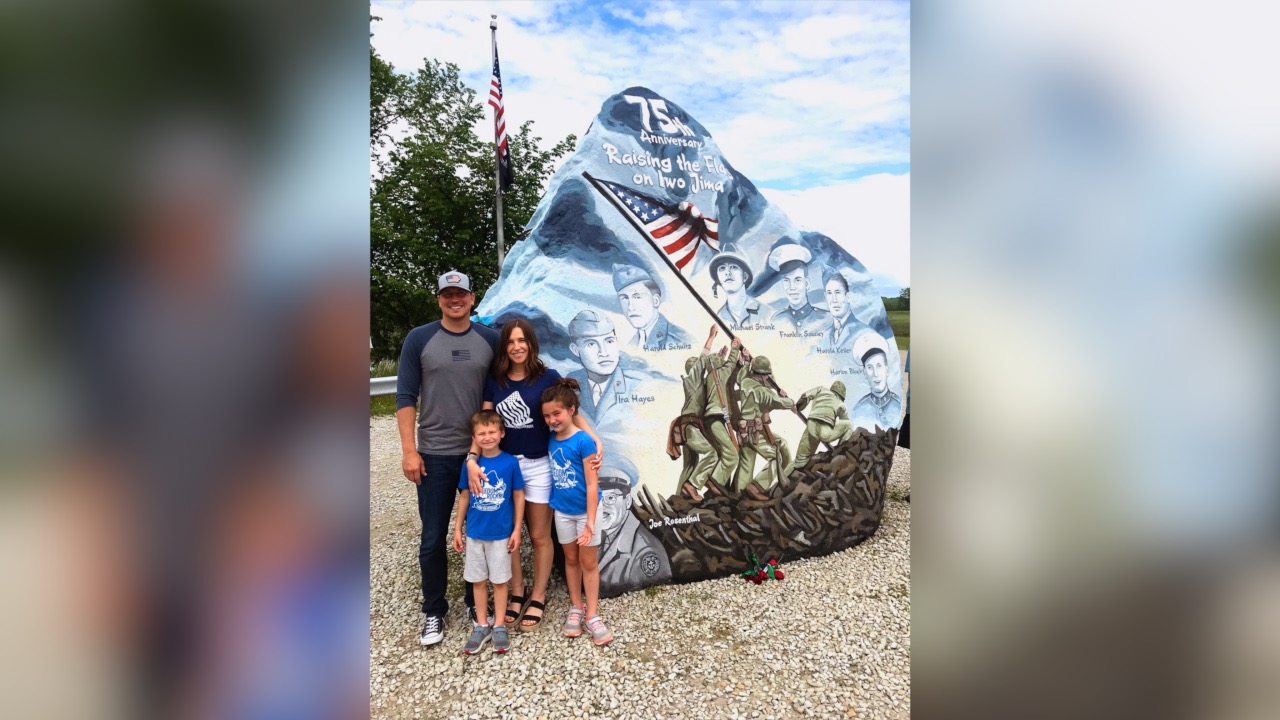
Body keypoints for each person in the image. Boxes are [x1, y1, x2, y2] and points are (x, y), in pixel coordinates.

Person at [466, 318, 602, 632]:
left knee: (540, 536)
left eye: (522, 340)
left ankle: (538, 595)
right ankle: (517, 592)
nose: (516, 347)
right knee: (507, 535)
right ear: (504, 346)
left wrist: (594, 440)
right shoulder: (495, 380)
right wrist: (472, 458)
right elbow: (484, 421)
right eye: (510, 341)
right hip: (505, 465)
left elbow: (573, 414)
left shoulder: (548, 377)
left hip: (540, 465)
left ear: (531, 343)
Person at [395, 271, 499, 647]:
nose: (455, 299)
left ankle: (476, 603)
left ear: (473, 298)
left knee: (479, 532)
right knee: (433, 536)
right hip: (434, 453)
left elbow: (502, 388)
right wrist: (409, 450)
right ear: (439, 299)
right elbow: (405, 396)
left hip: (479, 454)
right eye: (447, 294)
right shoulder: (419, 338)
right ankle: (434, 611)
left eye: (461, 294)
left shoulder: (490, 339)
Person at [542, 379, 614, 646]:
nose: (552, 420)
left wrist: (590, 522)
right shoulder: (551, 439)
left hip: (586, 514)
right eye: (547, 416)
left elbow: (593, 484)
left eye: (556, 413)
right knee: (570, 560)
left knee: (588, 563)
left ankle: (593, 613)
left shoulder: (584, 441)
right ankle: (576, 606)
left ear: (572, 410)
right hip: (563, 512)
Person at [450, 411, 525, 654]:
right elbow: (463, 497)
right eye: (481, 433)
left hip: (501, 535)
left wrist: (516, 529)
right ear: (474, 437)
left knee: (500, 581)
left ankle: (500, 625)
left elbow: (518, 496)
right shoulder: (470, 466)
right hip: (474, 534)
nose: (487, 437)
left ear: (502, 433)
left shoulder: (511, 463)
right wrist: (458, 529)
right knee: (478, 581)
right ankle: (482, 625)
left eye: (492, 431)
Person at [597, 456, 673, 596]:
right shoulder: (601, 534)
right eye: (598, 497)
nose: (602, 506)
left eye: (611, 498)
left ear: (627, 501)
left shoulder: (645, 551)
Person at [730, 353, 795, 500]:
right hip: (755, 433)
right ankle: (757, 486)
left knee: (747, 462)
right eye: (766, 376)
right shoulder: (761, 391)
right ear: (762, 375)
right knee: (775, 456)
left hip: (744, 431)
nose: (767, 379)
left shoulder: (746, 383)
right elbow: (775, 401)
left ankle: (740, 495)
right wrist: (791, 402)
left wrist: (747, 362)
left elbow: (742, 378)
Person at [565, 309, 641, 424]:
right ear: (575, 350)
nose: (604, 352)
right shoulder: (569, 384)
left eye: (609, 341)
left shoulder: (639, 385)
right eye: (591, 344)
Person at [748, 237, 828, 334]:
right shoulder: (776, 321)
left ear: (807, 283)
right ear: (782, 284)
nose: (792, 287)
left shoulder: (827, 320)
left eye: (797, 280)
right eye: (786, 280)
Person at [612, 263, 689, 350]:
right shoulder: (631, 345)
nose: (630, 307)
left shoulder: (679, 339)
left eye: (637, 297)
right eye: (624, 298)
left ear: (655, 301)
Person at [786, 381, 855, 475]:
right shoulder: (841, 404)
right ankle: (841, 449)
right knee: (849, 424)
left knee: (799, 461)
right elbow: (844, 421)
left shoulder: (821, 389)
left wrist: (798, 408)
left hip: (811, 427)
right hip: (825, 431)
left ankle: (783, 477)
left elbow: (805, 395)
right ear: (842, 395)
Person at [851, 333, 903, 429]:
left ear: (887, 369)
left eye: (879, 366)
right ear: (865, 372)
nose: (876, 374)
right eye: (870, 367)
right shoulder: (858, 410)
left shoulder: (897, 405)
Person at [708, 242, 762, 330]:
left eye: (733, 267)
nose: (727, 272)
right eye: (722, 268)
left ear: (745, 276)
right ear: (718, 279)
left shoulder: (766, 313)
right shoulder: (719, 317)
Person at [821, 267, 875, 352]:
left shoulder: (865, 334)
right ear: (825, 297)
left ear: (848, 297)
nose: (834, 300)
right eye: (829, 293)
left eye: (838, 292)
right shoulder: (825, 336)